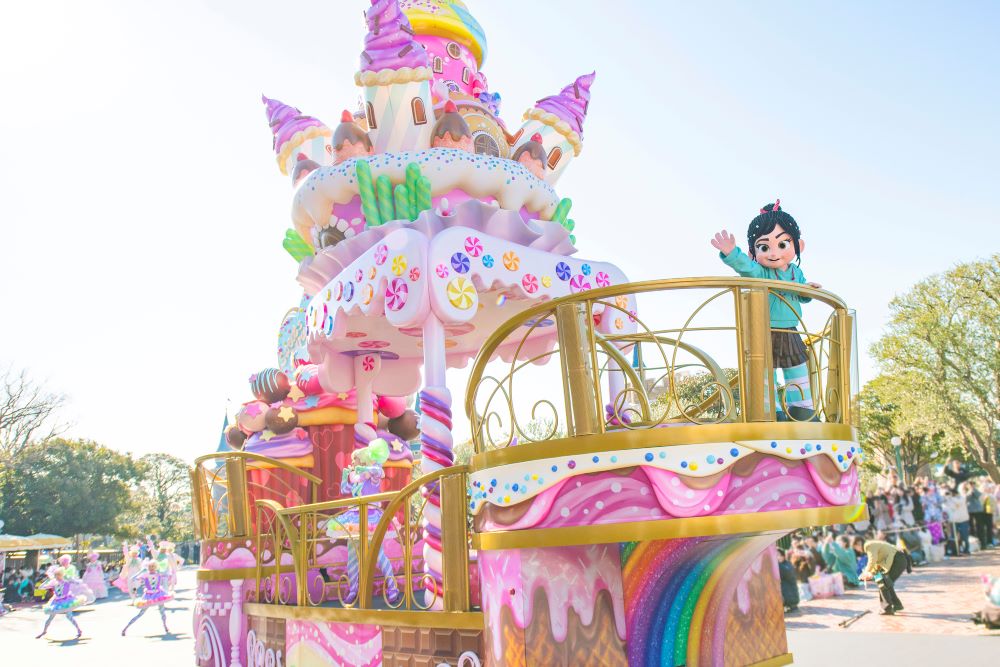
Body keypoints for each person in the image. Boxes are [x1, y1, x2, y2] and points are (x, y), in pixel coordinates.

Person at [711, 200, 821, 421]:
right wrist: (732, 254)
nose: (773, 253)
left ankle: (802, 410)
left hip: (790, 329)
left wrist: (808, 290)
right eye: (764, 247)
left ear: (798, 245)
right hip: (764, 330)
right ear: (753, 252)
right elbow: (746, 268)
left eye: (782, 244)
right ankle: (770, 411)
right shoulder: (761, 272)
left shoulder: (795, 272)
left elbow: (801, 295)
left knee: (796, 367)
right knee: (765, 370)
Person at [121, 560, 172, 636]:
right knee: (140, 613)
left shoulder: (158, 574)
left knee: (162, 612)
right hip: (149, 596)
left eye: (153, 566)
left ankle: (165, 626)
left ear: (156, 567)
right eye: (150, 566)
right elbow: (133, 578)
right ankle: (125, 628)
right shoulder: (145, 575)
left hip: (158, 595)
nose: (151, 568)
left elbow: (168, 575)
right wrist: (140, 572)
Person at [859, 539, 909, 615]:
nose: (857, 550)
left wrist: (866, 572)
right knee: (886, 583)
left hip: (897, 560)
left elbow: (872, 560)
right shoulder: (874, 545)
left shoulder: (869, 546)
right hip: (898, 560)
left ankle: (887, 609)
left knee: (883, 583)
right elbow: (877, 564)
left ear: (858, 543)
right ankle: (896, 605)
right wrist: (871, 573)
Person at [35, 567, 87, 639]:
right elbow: (41, 587)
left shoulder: (66, 581)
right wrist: (47, 580)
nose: (56, 576)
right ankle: (44, 631)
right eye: (55, 575)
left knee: (69, 616)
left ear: (61, 574)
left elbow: (78, 582)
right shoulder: (53, 582)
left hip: (66, 601)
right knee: (50, 617)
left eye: (58, 574)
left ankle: (79, 630)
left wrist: (72, 579)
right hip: (56, 601)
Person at [944, 488, 971, 555]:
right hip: (954, 521)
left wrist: (951, 498)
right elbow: (950, 508)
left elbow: (959, 503)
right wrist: (947, 499)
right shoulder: (949, 500)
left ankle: (966, 549)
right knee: (953, 536)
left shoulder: (962, 498)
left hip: (963, 520)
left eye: (951, 493)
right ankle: (955, 550)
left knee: (964, 535)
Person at [966, 481, 988, 550]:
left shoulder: (976, 490)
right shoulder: (966, 492)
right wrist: (969, 491)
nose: (971, 485)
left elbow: (978, 496)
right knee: (971, 528)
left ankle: (983, 544)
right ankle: (973, 544)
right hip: (970, 511)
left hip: (978, 511)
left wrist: (973, 489)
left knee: (980, 527)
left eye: (973, 484)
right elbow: (966, 499)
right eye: (970, 485)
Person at [776, 548, 799, 612]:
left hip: (791, 597)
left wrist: (777, 563)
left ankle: (789, 605)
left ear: (783, 556)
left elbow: (787, 573)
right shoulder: (779, 566)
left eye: (777, 555)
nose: (776, 557)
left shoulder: (787, 565)